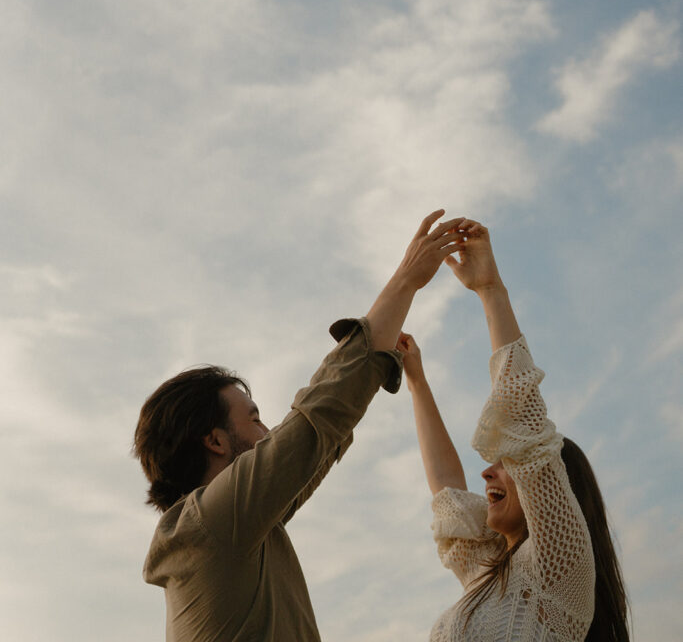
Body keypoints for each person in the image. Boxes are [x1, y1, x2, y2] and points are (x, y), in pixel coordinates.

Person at [133, 209, 463, 642]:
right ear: (214, 440)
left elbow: (319, 443)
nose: (268, 433)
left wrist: (382, 360)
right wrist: (406, 280)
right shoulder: (212, 524)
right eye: (253, 420)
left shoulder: (241, 529)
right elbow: (316, 421)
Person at [398, 218, 630, 642]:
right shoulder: (486, 571)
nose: (487, 472)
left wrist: (490, 290)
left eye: (508, 465)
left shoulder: (559, 569)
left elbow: (524, 423)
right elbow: (447, 493)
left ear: (554, 494)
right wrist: (417, 382)